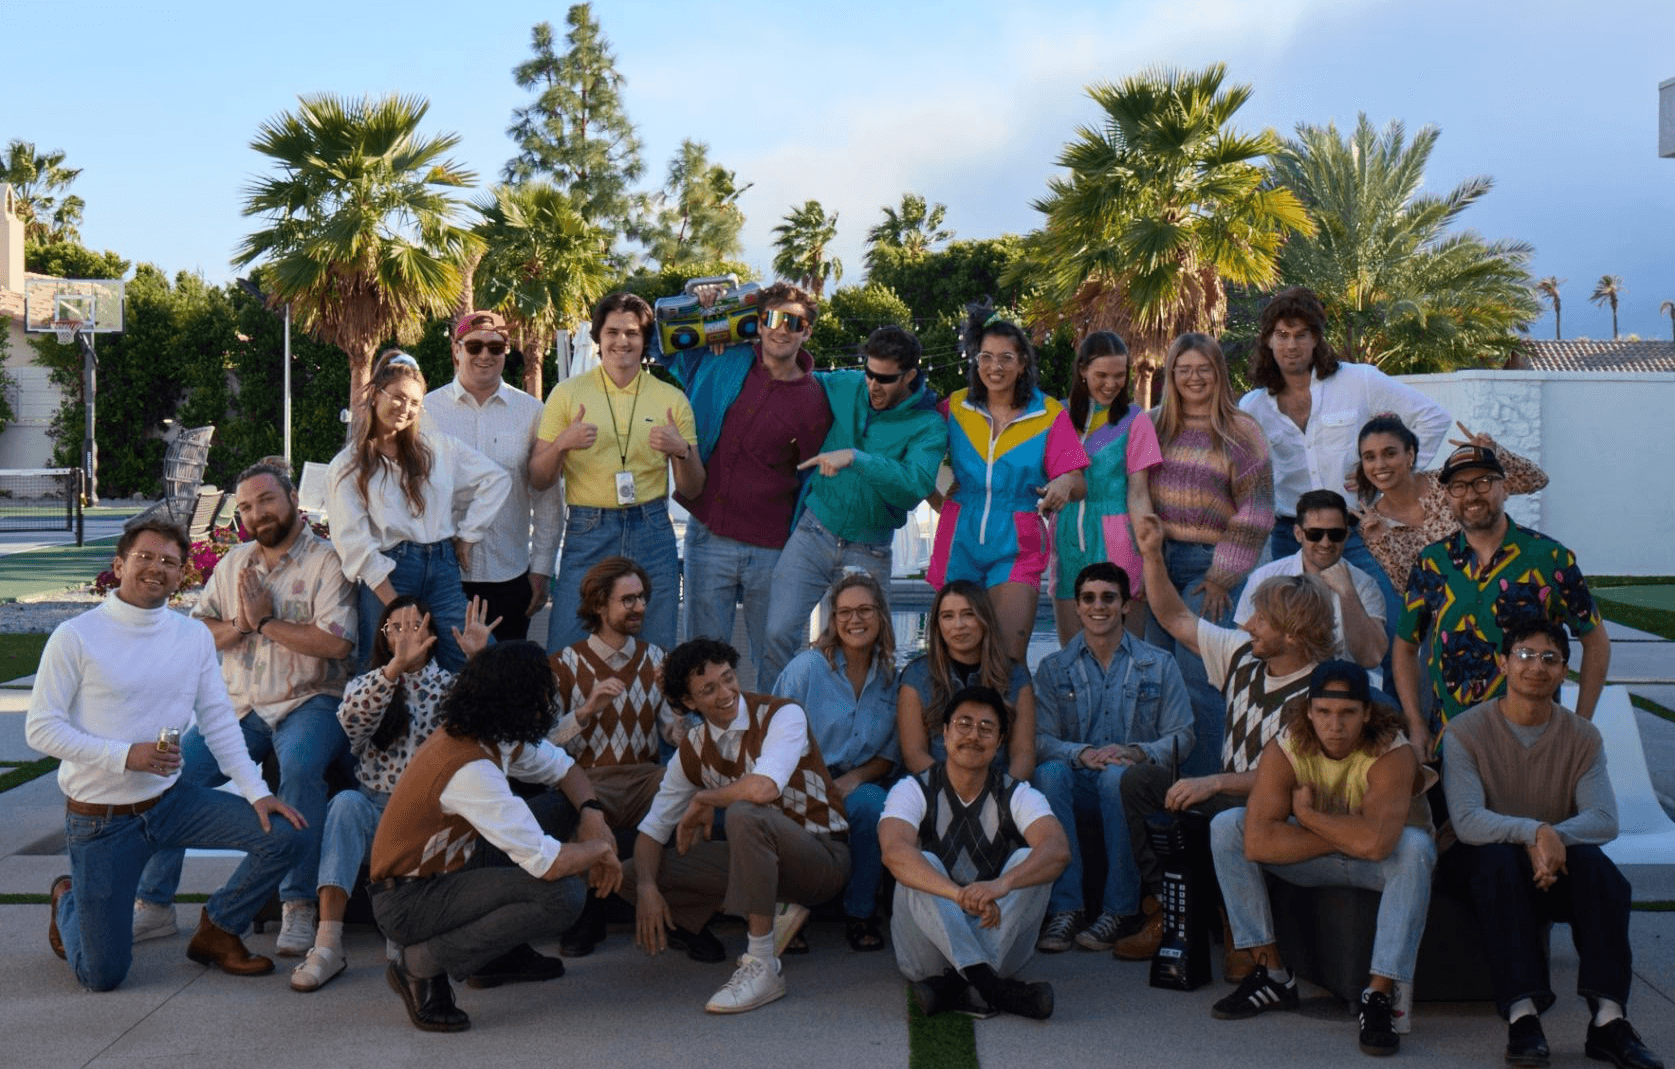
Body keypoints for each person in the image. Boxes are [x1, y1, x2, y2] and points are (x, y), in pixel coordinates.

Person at [29, 519, 306, 991]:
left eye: (169, 561)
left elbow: (218, 720)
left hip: (169, 803)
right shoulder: (76, 636)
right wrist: (125, 756)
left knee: (285, 836)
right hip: (101, 821)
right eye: (144, 557)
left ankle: (219, 928)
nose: (156, 567)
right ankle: (68, 899)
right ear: (119, 565)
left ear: (181, 575)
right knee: (102, 975)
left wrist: (257, 793)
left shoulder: (192, 636)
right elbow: (41, 729)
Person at [134, 463, 355, 959]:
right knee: (168, 772)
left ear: (293, 498)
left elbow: (336, 644)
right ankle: (155, 903)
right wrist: (241, 623)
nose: (257, 514)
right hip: (237, 708)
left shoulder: (327, 561)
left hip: (308, 700)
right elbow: (197, 632)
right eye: (247, 507)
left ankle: (297, 903)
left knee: (300, 768)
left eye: (267, 500)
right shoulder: (233, 563)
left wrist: (266, 622)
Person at [1114, 514, 1336, 965]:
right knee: (1140, 783)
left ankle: (1238, 927)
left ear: (1292, 633)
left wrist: (1214, 782)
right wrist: (1152, 554)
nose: (1248, 623)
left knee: (1224, 810)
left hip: (1279, 808)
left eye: (1261, 618)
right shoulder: (1242, 654)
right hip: (1228, 796)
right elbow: (1174, 617)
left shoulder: (1323, 691)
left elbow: (1294, 779)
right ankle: (1168, 910)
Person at [1441, 619, 1663, 1069]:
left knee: (1601, 874)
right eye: (1524, 655)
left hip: (1549, 862)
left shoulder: (1582, 736)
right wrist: (1535, 832)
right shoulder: (1465, 731)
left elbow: (1604, 819)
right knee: (1498, 862)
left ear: (1564, 671)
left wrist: (1551, 838)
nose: (1536, 667)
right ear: (1503, 664)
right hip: (1478, 864)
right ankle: (1523, 1017)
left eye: (1550, 658)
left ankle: (1609, 1020)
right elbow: (1466, 821)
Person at [368, 641, 622, 1033]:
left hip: (448, 875)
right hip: (407, 901)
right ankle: (418, 965)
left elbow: (565, 769)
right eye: (544, 692)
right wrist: (601, 849)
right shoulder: (468, 767)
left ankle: (497, 955)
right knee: (564, 894)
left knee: (564, 805)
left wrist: (593, 815)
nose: (550, 701)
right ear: (517, 701)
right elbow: (550, 864)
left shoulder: (490, 736)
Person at [1208, 661, 1435, 1058]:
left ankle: (1378, 995)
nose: (1335, 725)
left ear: (1367, 713)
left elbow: (1377, 846)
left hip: (1380, 866)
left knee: (1416, 847)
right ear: (1309, 711)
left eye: (1347, 712)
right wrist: (1348, 833)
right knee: (1228, 827)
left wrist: (1308, 817)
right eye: (1324, 712)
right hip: (1323, 857)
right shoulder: (1287, 744)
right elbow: (1257, 843)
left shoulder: (1393, 751)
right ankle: (1272, 974)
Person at [620, 638, 850, 1015]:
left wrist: (704, 798)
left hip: (822, 857)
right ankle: (767, 912)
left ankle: (763, 963)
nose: (726, 693)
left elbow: (763, 789)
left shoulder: (782, 714)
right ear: (689, 702)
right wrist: (646, 887)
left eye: (728, 678)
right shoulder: (694, 746)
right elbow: (653, 829)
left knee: (745, 813)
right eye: (709, 689)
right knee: (632, 873)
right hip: (759, 861)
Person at [287, 595, 497, 993]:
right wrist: (395, 669)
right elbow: (352, 720)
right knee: (345, 804)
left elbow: (493, 725)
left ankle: (405, 933)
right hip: (374, 809)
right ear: (384, 637)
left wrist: (479, 659)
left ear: (431, 635)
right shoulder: (368, 684)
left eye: (414, 626)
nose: (405, 635)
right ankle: (328, 944)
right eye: (395, 628)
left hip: (426, 820)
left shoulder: (451, 687)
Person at [650, 281, 833, 688]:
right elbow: (659, 345)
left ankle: (778, 727)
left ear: (806, 332)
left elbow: (815, 480)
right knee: (702, 658)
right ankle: (705, 729)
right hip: (708, 537)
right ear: (759, 323)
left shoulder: (814, 398)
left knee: (776, 657)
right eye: (772, 318)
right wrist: (699, 302)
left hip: (772, 549)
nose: (781, 329)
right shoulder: (724, 359)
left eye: (794, 322)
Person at [1393, 443, 1608, 756]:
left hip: (1532, 745)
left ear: (1505, 488)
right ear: (1448, 497)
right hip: (1452, 742)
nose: (1471, 495)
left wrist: (1580, 725)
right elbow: (1405, 646)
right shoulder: (1432, 562)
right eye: (1458, 486)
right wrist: (1415, 723)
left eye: (1483, 482)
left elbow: (1596, 641)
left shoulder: (1550, 558)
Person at [759, 324, 945, 685]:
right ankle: (778, 714)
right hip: (814, 532)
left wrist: (856, 458)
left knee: (871, 650)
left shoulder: (928, 425)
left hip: (869, 549)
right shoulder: (847, 384)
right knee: (777, 634)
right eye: (869, 373)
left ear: (909, 376)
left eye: (885, 379)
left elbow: (915, 486)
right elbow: (792, 380)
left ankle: (860, 720)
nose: (873, 385)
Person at [879, 685, 1070, 1020]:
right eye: (964, 724)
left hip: (998, 941)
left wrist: (1001, 885)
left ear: (999, 742)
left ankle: (957, 984)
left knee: (1031, 860)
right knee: (920, 862)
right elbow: (893, 852)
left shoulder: (1016, 793)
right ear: (945, 733)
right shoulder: (913, 788)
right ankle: (993, 988)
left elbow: (1057, 850)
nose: (973, 736)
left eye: (986, 728)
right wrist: (958, 896)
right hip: (927, 955)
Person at [1031, 562, 1193, 954]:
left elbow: (1182, 736)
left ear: (1125, 605)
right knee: (1049, 773)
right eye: (1088, 599)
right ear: (1077, 607)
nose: (1098, 606)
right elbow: (1039, 738)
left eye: (1108, 598)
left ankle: (1120, 911)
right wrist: (1081, 754)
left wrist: (1137, 752)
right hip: (1079, 777)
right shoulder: (1054, 668)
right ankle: (1065, 909)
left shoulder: (1159, 663)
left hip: (1132, 783)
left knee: (1116, 777)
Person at [531, 293, 704, 655]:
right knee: (566, 648)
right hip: (589, 529)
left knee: (655, 650)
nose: (621, 341)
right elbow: (539, 478)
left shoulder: (671, 399)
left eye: (632, 333)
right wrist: (562, 444)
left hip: (651, 529)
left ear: (645, 340)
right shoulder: (567, 394)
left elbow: (693, 488)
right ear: (598, 336)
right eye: (612, 332)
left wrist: (681, 451)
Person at [1237, 286, 1451, 566]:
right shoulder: (1252, 407)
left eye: (1301, 335)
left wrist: (1386, 476)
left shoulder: (1359, 381)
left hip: (1359, 531)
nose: (1291, 345)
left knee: (1381, 596)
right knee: (1294, 598)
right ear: (1268, 340)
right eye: (1282, 335)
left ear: (1316, 338)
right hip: (1291, 537)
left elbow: (1433, 418)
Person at [327, 350, 511, 672]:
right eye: (397, 397)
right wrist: (395, 604)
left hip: (443, 568)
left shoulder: (438, 449)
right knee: (384, 667)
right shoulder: (348, 465)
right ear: (376, 395)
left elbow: (496, 479)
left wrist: (469, 536)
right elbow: (352, 541)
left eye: (414, 402)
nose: (405, 408)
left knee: (474, 660)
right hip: (390, 572)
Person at [547, 556, 693, 956]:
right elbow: (544, 745)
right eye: (628, 600)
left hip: (645, 776)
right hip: (589, 778)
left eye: (642, 598)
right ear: (599, 605)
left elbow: (674, 734)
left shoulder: (658, 659)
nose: (640, 607)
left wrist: (679, 709)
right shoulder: (563, 664)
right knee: (580, 809)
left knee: (687, 796)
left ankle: (684, 914)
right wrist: (585, 711)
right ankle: (589, 912)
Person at [1147, 332, 1274, 777]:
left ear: (1218, 372)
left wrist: (1224, 575)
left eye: (1203, 368)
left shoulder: (1241, 430)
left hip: (1210, 567)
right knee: (1157, 677)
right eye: (1184, 369)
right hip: (1157, 563)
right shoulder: (1153, 425)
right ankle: (1162, 783)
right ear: (1171, 374)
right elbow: (1131, 490)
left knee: (1198, 678)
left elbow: (1256, 509)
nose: (1194, 377)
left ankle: (1205, 788)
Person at [929, 312, 1089, 663]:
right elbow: (915, 455)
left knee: (1009, 658)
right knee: (951, 658)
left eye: (1005, 358)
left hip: (1018, 542)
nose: (995, 367)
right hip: (958, 540)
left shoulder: (1048, 414)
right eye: (986, 357)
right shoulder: (955, 406)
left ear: (1022, 363)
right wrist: (937, 498)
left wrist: (1064, 481)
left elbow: (1078, 482)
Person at [772, 572, 902, 952]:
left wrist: (855, 778)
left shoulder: (891, 679)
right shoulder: (807, 669)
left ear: (881, 615)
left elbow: (889, 754)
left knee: (875, 805)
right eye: (844, 612)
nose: (854, 620)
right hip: (798, 776)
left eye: (864, 610)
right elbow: (772, 736)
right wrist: (813, 783)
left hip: (855, 781)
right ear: (833, 619)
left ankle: (860, 912)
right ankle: (790, 909)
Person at [424, 310, 562, 641]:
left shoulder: (531, 411)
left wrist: (542, 568)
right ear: (456, 350)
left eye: (495, 347)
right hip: (443, 575)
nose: (485, 355)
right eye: (474, 346)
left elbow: (546, 497)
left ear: (506, 351)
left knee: (507, 670)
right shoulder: (426, 412)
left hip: (509, 574)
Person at [1352, 416, 1548, 599]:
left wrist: (1494, 453)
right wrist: (1384, 543)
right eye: (1370, 457)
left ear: (1410, 454)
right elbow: (1409, 589)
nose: (1380, 465)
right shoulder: (1373, 524)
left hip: (1503, 591)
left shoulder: (1449, 482)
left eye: (1390, 453)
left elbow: (1535, 480)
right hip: (1449, 616)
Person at [1051, 330, 1161, 644]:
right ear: (1082, 370)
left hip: (1120, 536)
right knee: (1072, 652)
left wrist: (1149, 556)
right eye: (1101, 375)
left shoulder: (1135, 420)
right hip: (1069, 536)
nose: (1111, 384)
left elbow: (1138, 492)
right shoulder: (1057, 416)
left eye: (1119, 375)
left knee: (1127, 650)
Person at [1234, 489, 1388, 684]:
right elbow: (1243, 646)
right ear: (1298, 533)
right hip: (1282, 683)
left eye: (1336, 534)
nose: (1325, 543)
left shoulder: (1364, 584)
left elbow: (1371, 658)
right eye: (1315, 534)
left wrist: (1347, 593)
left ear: (1347, 535)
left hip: (1344, 688)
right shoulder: (1264, 577)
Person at [897, 579, 1036, 782]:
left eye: (969, 614)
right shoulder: (916, 675)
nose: (959, 625)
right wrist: (952, 792)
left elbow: (1023, 754)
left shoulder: (1015, 675)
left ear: (984, 619)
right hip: (935, 785)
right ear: (937, 625)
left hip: (1000, 785)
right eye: (948, 616)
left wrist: (1001, 792)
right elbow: (914, 754)